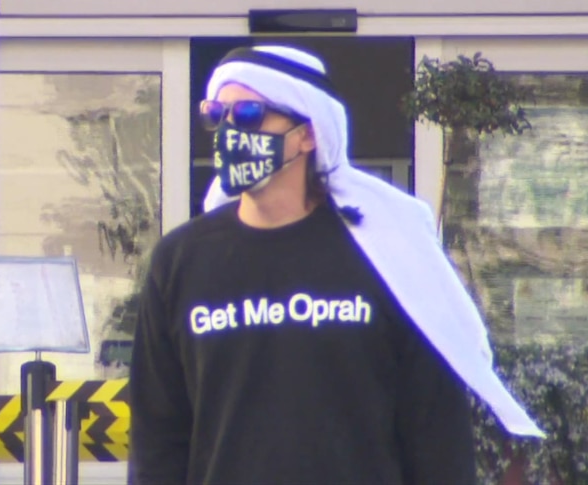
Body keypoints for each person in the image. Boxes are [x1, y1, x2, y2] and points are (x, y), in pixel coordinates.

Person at [128, 46, 544, 485]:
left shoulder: (387, 254)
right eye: (217, 114)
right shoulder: (180, 262)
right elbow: (159, 439)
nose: (229, 130)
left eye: (249, 114)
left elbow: (434, 428)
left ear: (308, 135)